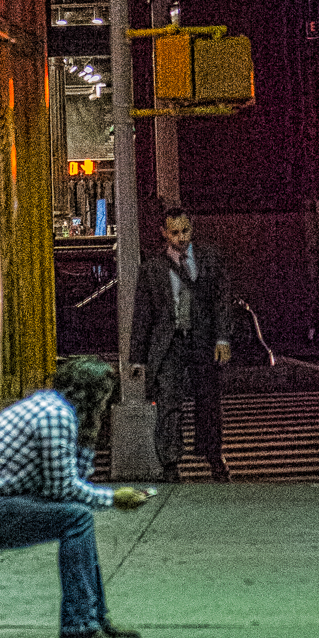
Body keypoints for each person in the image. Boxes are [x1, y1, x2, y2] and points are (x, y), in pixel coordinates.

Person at [0, 356, 147, 638]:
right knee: (78, 519)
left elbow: (71, 478)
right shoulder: (56, 417)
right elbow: (62, 488)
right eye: (104, 396)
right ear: (92, 394)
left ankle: (94, 618)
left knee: (79, 516)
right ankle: (79, 626)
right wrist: (114, 498)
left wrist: (89, 436)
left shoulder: (53, 407)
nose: (106, 403)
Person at [129, 206, 233, 483]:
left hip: (202, 339)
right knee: (168, 402)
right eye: (174, 232)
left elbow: (222, 301)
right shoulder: (152, 268)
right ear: (163, 233)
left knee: (208, 401)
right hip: (170, 342)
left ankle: (213, 455)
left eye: (185, 230)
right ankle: (170, 462)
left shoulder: (209, 259)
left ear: (192, 228)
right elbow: (143, 314)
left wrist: (222, 338)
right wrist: (137, 358)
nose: (181, 237)